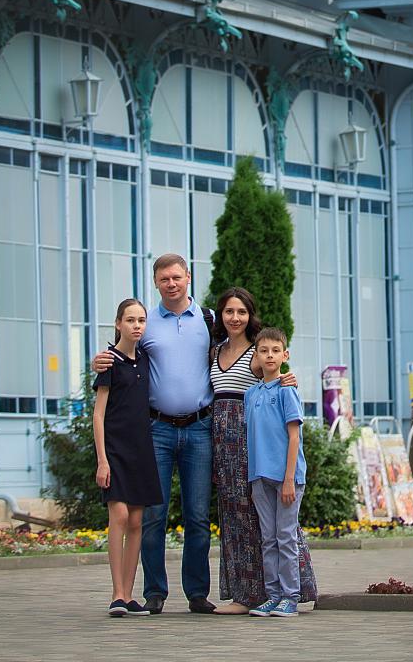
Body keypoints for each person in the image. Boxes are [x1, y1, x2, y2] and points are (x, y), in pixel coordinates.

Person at [91, 254, 296, 614]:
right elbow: (123, 355)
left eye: (177, 277)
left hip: (201, 428)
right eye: (164, 279)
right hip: (156, 429)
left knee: (198, 515)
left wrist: (286, 378)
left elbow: (258, 349)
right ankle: (155, 591)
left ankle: (197, 593)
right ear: (156, 283)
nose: (171, 284)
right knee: (153, 514)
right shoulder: (147, 322)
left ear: (188, 277)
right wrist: (99, 361)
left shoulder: (209, 321)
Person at [207, 287, 316, 614]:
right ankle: (249, 593)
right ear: (221, 315)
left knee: (279, 530)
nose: (235, 317)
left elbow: (275, 377)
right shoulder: (214, 351)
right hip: (225, 445)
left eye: (241, 312)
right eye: (228, 311)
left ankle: (292, 592)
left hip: (253, 443)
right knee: (240, 521)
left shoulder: (257, 352)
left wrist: (289, 378)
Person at [93, 299, 162, 617]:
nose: (137, 325)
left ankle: (129, 595)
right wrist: (102, 460)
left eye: (142, 320)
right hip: (115, 451)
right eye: (130, 320)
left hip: (142, 450)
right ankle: (116, 594)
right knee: (119, 517)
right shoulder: (109, 362)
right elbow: (99, 414)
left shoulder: (145, 359)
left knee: (137, 521)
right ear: (118, 323)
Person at [244, 328, 306, 618]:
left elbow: (294, 437)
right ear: (256, 354)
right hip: (259, 476)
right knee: (267, 538)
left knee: (285, 536)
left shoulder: (287, 390)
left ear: (285, 354)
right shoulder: (251, 393)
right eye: (264, 350)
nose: (269, 355)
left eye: (275, 350)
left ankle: (290, 597)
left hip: (286, 479)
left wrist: (289, 479)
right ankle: (273, 594)